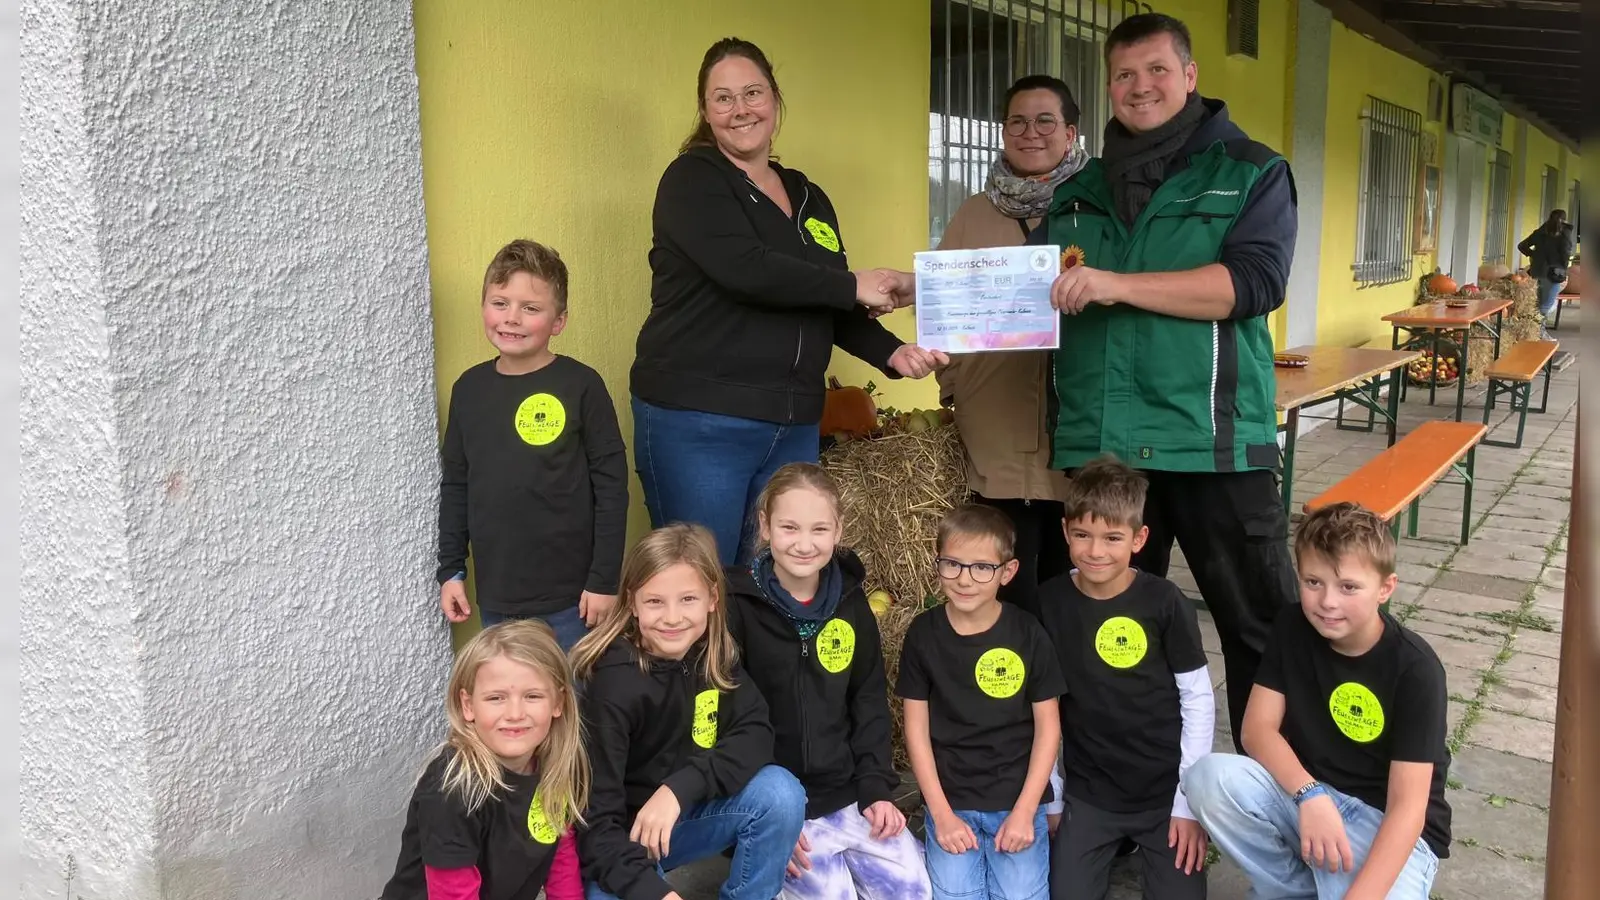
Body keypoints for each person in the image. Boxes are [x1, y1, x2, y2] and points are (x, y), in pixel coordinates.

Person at [1040, 12, 1299, 750]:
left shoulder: (1251, 169)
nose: (1140, 86)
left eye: (1157, 70)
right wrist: (923, 294)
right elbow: (1031, 295)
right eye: (1124, 74)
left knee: (1258, 627)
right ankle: (1123, 797)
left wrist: (1116, 283)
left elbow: (1252, 284)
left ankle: (1264, 791)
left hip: (1211, 440)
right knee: (1111, 633)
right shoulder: (1077, 191)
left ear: (1189, 77)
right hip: (1108, 449)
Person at [631, 36, 946, 567]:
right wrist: (852, 284)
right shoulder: (692, 181)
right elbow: (747, 270)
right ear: (705, 112)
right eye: (723, 98)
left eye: (752, 92)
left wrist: (893, 352)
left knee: (773, 583)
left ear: (775, 100)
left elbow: (818, 291)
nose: (740, 109)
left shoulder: (807, 195)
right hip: (702, 422)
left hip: (793, 423)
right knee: (701, 582)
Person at [1183, 502, 1452, 899]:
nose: (1327, 602)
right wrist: (1311, 795)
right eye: (1313, 582)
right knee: (1209, 778)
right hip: (1309, 798)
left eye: (1348, 587)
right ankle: (1290, 891)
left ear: (1385, 588)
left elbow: (1408, 809)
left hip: (1387, 828)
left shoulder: (1415, 668)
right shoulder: (1292, 627)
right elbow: (1257, 731)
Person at [724, 463, 931, 900]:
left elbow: (869, 699)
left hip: (848, 793)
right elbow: (728, 714)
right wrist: (766, 813)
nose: (804, 543)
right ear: (765, 527)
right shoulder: (737, 608)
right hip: (781, 801)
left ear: (838, 530)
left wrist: (876, 789)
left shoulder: (852, 604)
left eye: (819, 529)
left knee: (913, 890)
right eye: (789, 527)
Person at [571, 523, 806, 900]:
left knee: (780, 795)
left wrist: (678, 790)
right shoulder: (613, 686)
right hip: (622, 842)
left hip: (683, 817)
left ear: (712, 598)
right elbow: (596, 828)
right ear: (631, 602)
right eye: (654, 602)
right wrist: (656, 893)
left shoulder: (712, 656)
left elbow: (757, 731)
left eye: (688, 600)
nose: (672, 617)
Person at [934, 74, 1090, 621]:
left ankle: (1063, 695)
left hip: (1074, 418)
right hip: (994, 419)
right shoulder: (974, 215)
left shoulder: (1096, 210)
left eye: (1045, 120)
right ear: (1002, 133)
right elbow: (946, 311)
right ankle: (1017, 691)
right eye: (1017, 122)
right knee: (1008, 572)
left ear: (1070, 132)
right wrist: (953, 391)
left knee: (1071, 574)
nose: (1031, 132)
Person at [437, 240, 629, 650]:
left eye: (530, 308)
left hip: (574, 600)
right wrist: (451, 569)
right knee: (518, 701)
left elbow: (612, 488)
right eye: (500, 302)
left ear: (558, 321)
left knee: (574, 703)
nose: (512, 318)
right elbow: (456, 483)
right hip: (498, 595)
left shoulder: (581, 386)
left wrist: (604, 580)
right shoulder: (469, 390)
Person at [1036, 457, 1212, 900]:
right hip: (1089, 795)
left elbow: (1198, 699)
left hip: (1163, 794)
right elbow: (1039, 709)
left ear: (1139, 539)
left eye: (1113, 537)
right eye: (1082, 535)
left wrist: (1188, 804)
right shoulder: (1048, 603)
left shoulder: (1166, 602)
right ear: (1065, 532)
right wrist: (1052, 797)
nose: (1096, 551)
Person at [897, 504, 1065, 900]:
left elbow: (1049, 728)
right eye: (952, 564)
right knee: (956, 895)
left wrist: (1026, 812)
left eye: (981, 568)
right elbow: (916, 729)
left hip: (1016, 801)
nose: (965, 579)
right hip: (951, 802)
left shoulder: (1028, 633)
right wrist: (940, 814)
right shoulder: (923, 634)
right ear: (937, 564)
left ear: (1007, 572)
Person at [382, 620, 588, 900]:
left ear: (558, 703)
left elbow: (561, 861)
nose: (515, 713)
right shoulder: (452, 787)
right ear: (468, 705)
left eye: (532, 696)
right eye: (496, 698)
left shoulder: (554, 769)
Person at [1516, 208, 1575, 341]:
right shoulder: (1564, 233)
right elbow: (1565, 254)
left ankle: (1533, 331)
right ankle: (1539, 332)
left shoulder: (1541, 231)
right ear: (1564, 219)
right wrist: (1564, 270)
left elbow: (1522, 245)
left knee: (1538, 303)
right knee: (1545, 305)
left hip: (1536, 271)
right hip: (1554, 273)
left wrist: (1535, 256)